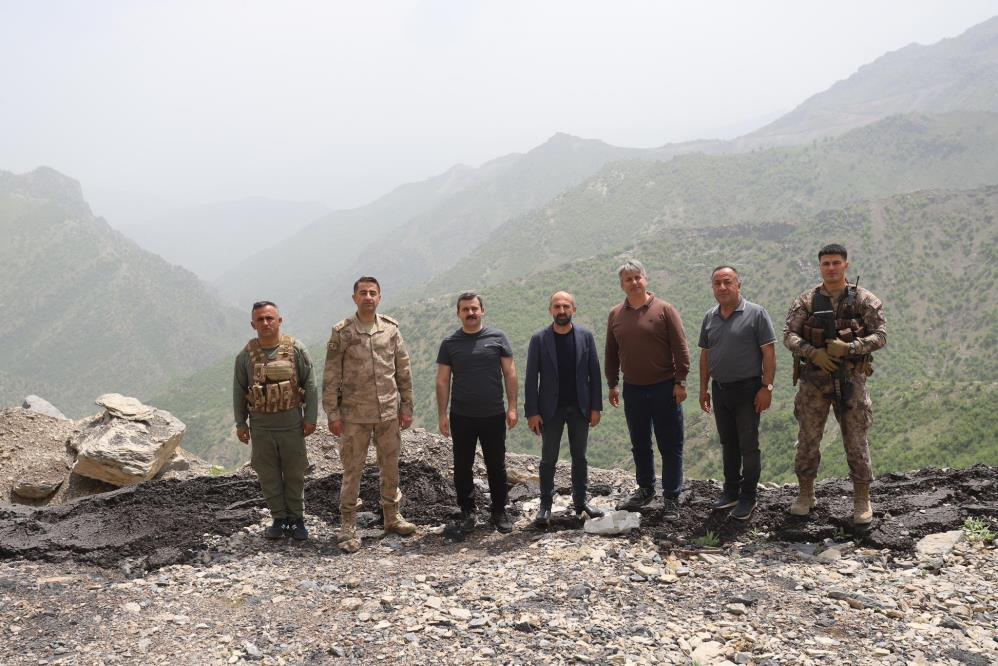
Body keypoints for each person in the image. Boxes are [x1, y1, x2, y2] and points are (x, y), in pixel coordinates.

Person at [784, 244, 886, 525]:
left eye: (836, 263)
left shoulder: (863, 300)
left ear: (846, 265)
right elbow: (789, 335)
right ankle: (806, 494)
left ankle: (862, 498)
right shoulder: (807, 301)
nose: (831, 268)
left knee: (855, 439)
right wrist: (812, 352)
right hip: (814, 382)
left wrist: (851, 347)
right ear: (820, 267)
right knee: (807, 439)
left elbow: (880, 336)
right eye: (826, 263)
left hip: (851, 379)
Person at [323, 277, 416, 553]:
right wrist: (332, 413)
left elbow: (403, 370)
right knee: (353, 470)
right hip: (354, 415)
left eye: (372, 293)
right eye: (362, 293)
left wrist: (407, 406)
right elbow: (331, 376)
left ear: (379, 297)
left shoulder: (390, 330)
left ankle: (392, 517)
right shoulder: (342, 332)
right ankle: (348, 525)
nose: (368, 297)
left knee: (391, 466)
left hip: (387, 412)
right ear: (354, 298)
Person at [605, 259, 691, 518]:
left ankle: (672, 497)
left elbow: (681, 347)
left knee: (670, 444)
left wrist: (681, 381)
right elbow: (611, 352)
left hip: (665, 387)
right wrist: (612, 383)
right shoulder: (616, 315)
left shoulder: (665, 309)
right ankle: (645, 490)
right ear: (622, 285)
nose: (633, 282)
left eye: (637, 277)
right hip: (633, 389)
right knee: (640, 443)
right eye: (628, 279)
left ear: (646, 279)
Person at [233, 301, 318, 540]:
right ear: (253, 324)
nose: (265, 323)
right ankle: (279, 519)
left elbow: (310, 385)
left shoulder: (296, 349)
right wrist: (241, 424)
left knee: (295, 472)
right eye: (260, 319)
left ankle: (297, 519)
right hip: (260, 426)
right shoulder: (245, 356)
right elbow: (239, 390)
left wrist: (311, 418)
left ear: (279, 321)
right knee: (267, 473)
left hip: (291, 423)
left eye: (270, 318)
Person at [697, 266, 777, 521]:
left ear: (738, 285)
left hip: (748, 389)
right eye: (717, 283)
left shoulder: (756, 313)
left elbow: (769, 354)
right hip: (720, 390)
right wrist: (703, 388)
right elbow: (705, 354)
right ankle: (730, 490)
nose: (722, 287)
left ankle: (748, 496)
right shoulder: (710, 317)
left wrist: (767, 387)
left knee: (748, 445)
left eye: (727, 282)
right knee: (727, 442)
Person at [435, 291, 518, 533]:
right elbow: (442, 381)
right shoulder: (450, 343)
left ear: (482, 311)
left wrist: (512, 407)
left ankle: (499, 511)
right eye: (465, 309)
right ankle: (467, 511)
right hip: (462, 415)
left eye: (474, 308)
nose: (470, 313)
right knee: (462, 465)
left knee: (496, 464)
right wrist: (442, 414)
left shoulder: (498, 338)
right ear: (458, 313)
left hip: (493, 414)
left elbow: (510, 374)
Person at [524, 291, 605, 527]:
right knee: (548, 458)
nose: (562, 311)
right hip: (550, 409)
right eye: (557, 306)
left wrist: (596, 407)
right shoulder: (539, 339)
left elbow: (594, 374)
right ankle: (545, 506)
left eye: (566, 306)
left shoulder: (585, 337)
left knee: (580, 456)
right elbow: (531, 379)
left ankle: (581, 503)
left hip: (580, 407)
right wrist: (532, 412)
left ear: (574, 309)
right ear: (550, 310)